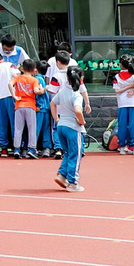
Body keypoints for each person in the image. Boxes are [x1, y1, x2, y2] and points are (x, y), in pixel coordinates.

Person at [52, 64, 89, 192]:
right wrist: (82, 121)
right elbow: (78, 110)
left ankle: (62, 175)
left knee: (68, 153)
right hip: (73, 127)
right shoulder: (77, 95)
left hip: (61, 125)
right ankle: (73, 182)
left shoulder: (62, 92)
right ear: (81, 78)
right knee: (76, 155)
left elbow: (52, 103)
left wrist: (56, 119)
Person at [111, 56, 134, 154]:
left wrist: (127, 88)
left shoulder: (117, 76)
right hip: (133, 102)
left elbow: (117, 91)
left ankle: (122, 146)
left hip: (122, 103)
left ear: (120, 64)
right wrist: (133, 90)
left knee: (122, 125)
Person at [10, 60, 42, 158]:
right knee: (32, 128)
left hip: (19, 105)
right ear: (34, 69)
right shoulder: (34, 80)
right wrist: (42, 90)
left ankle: (16, 149)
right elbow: (36, 91)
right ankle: (32, 148)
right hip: (30, 105)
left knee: (18, 128)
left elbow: (10, 84)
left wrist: (14, 95)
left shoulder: (18, 78)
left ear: (22, 68)